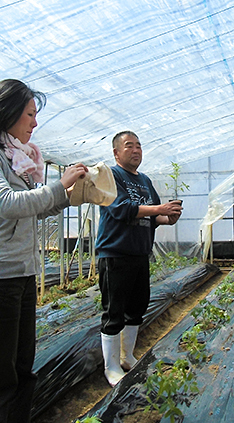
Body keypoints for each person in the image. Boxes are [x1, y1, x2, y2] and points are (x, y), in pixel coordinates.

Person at [0, 79, 88, 423]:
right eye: (30, 114)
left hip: (22, 271)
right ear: (8, 113)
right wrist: (58, 186)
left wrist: (69, 194)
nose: (35, 123)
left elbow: (32, 208)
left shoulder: (16, 157)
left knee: (24, 366)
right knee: (5, 374)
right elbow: (7, 204)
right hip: (3, 276)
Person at [96, 130, 183, 387]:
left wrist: (167, 218)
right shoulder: (110, 176)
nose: (136, 151)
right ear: (116, 152)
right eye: (129, 146)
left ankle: (127, 357)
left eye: (139, 146)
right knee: (114, 311)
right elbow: (122, 209)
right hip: (115, 254)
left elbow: (151, 216)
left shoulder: (144, 180)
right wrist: (159, 209)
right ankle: (110, 367)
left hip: (139, 254)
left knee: (136, 308)